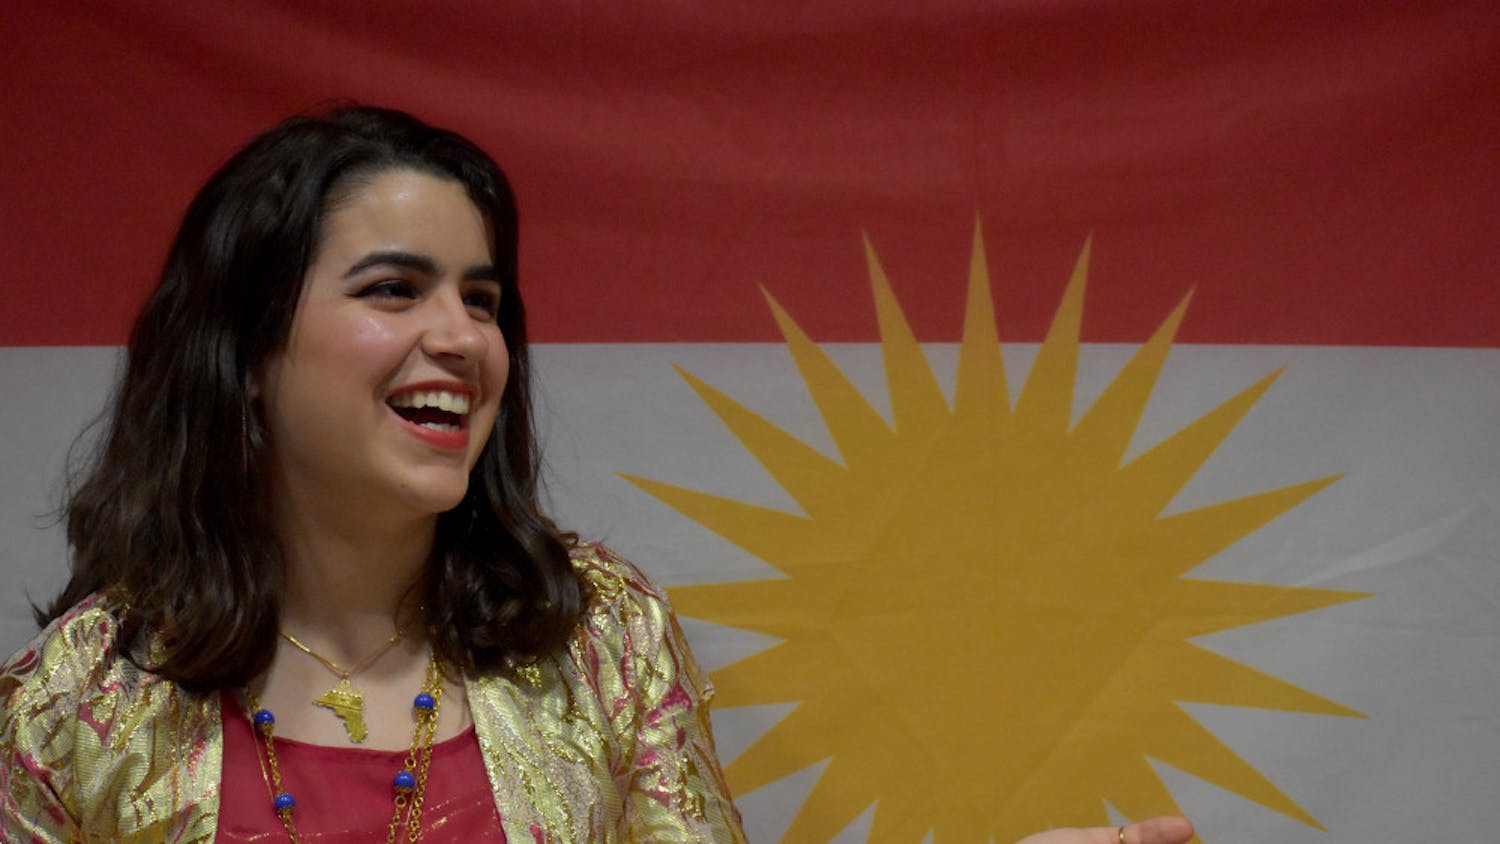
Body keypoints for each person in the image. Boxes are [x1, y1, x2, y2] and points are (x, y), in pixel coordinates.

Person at [0, 106, 1192, 844]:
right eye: (394, 290)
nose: (462, 339)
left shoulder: (600, 639)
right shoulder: (78, 698)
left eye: (483, 300)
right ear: (247, 353)